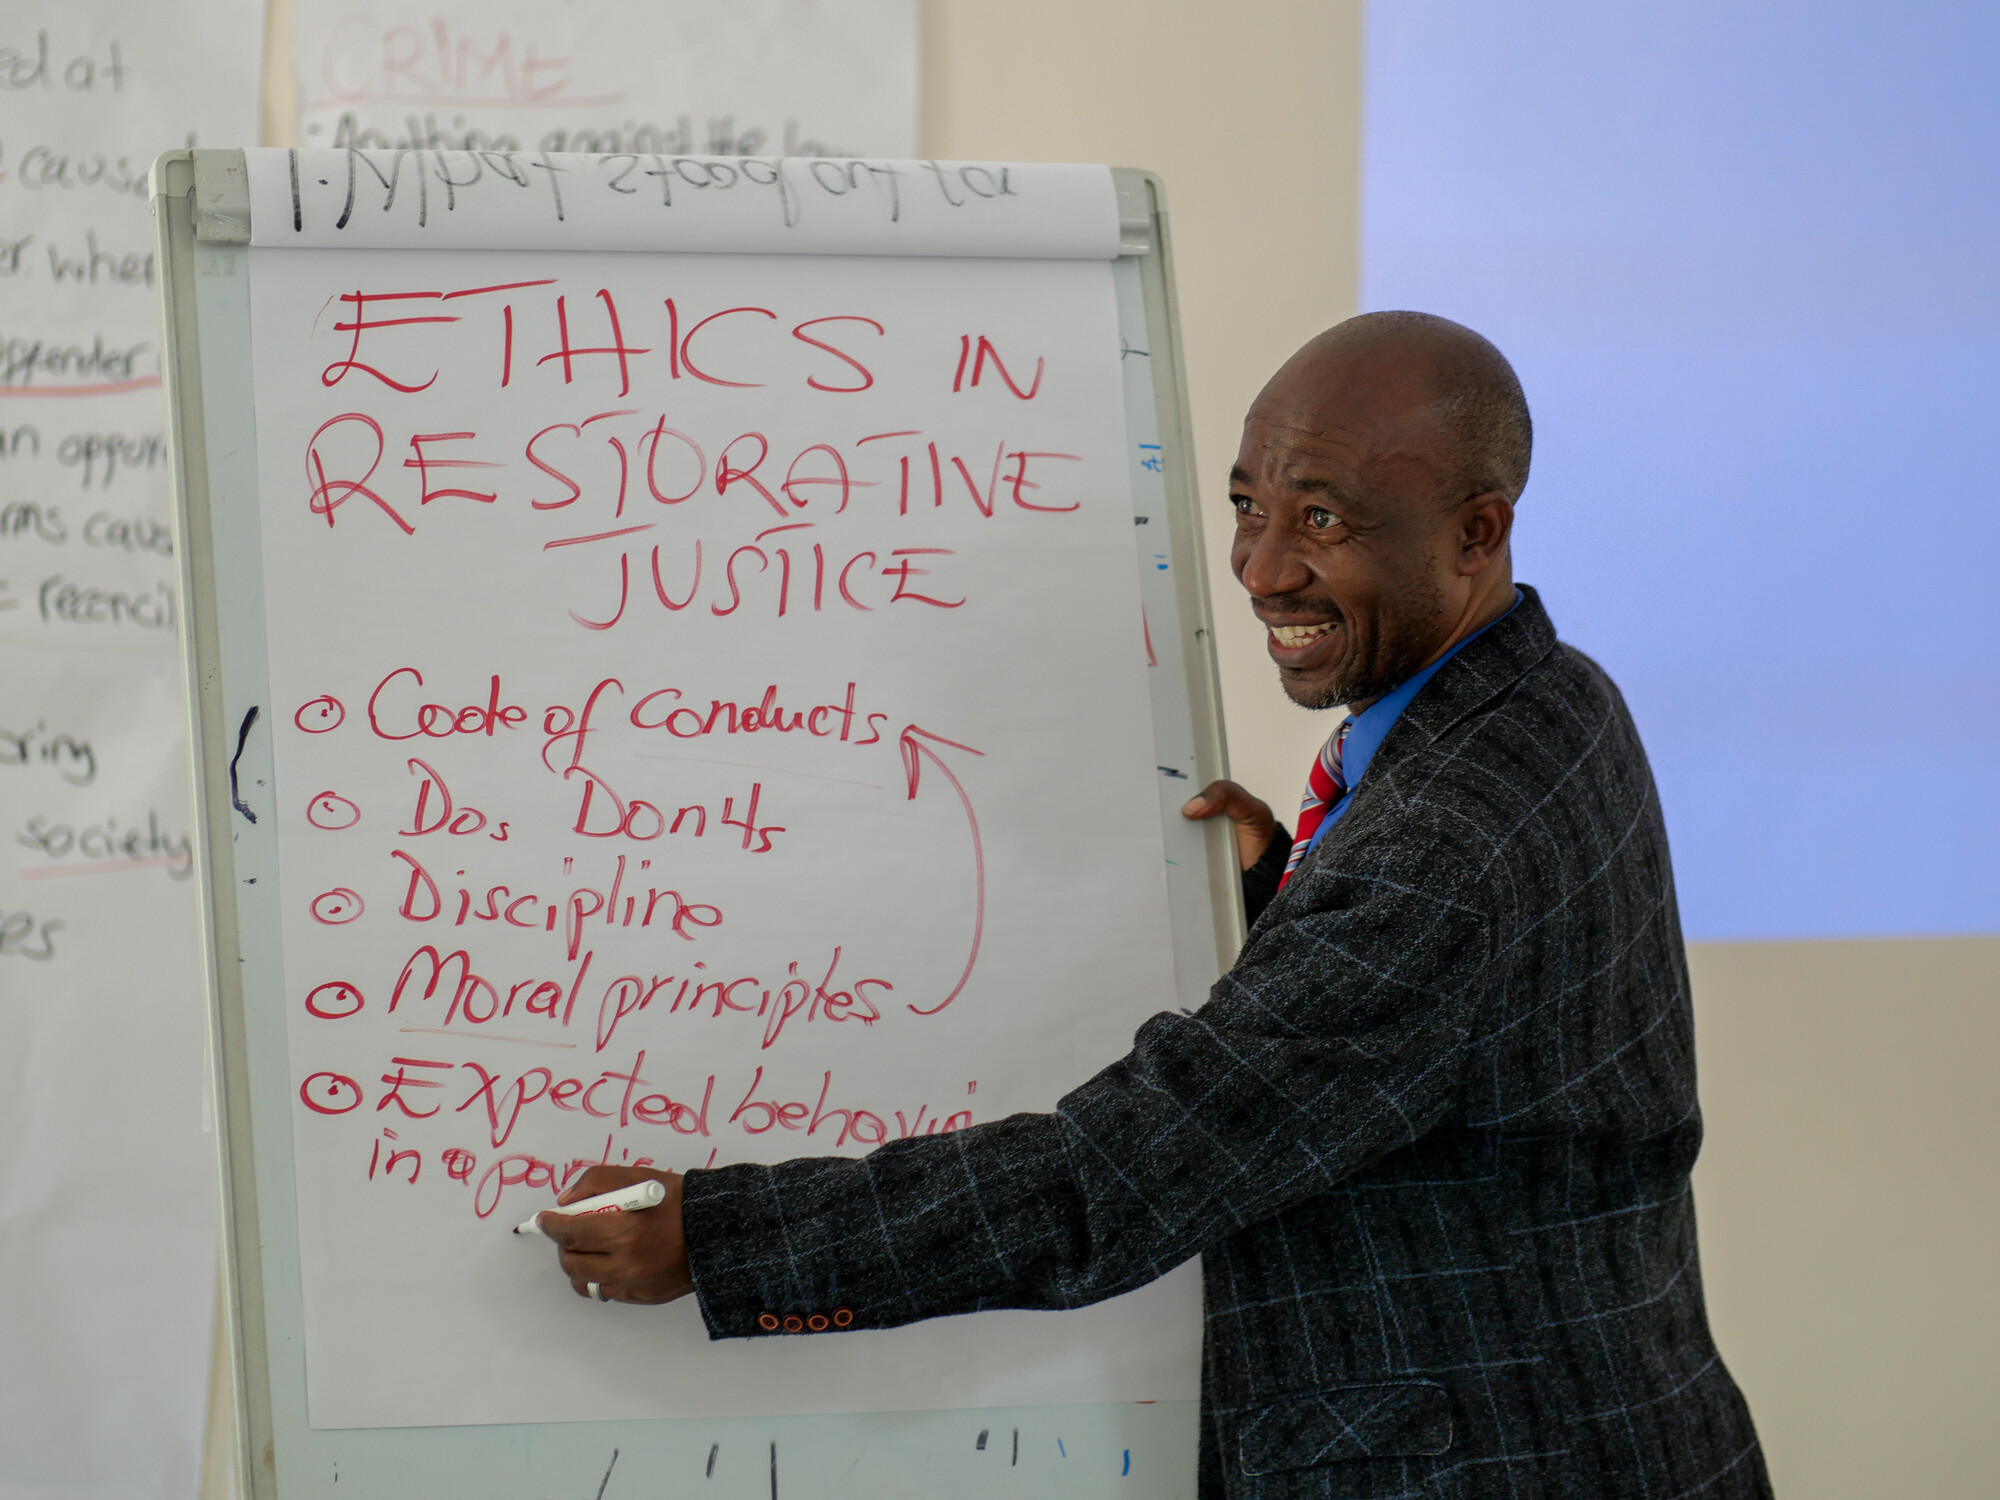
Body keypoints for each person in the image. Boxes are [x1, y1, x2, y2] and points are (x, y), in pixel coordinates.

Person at [535, 312, 1772, 1499]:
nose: (1259, 567)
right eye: (1247, 505)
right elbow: (1442, 1033)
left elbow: (1114, 1175)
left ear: (1474, 530)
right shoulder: (1549, 696)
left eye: (1322, 520)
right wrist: (1285, 882)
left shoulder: (1443, 845)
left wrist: (726, 1237)